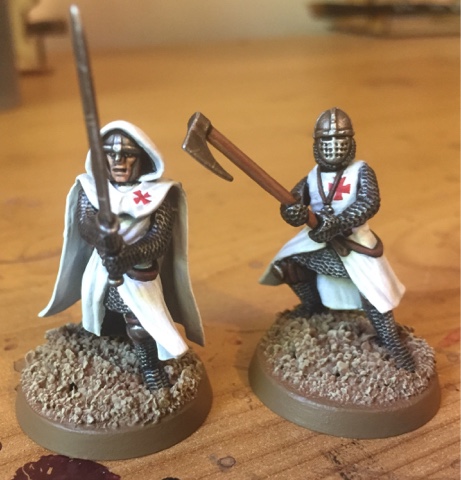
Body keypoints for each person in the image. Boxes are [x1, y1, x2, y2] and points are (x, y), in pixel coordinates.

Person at [40, 121, 204, 390]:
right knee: (103, 310)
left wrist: (128, 256)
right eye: (111, 154)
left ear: (143, 158)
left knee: (141, 323)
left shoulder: (159, 195)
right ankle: (111, 334)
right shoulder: (91, 190)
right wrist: (102, 238)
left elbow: (158, 240)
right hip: (101, 269)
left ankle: (150, 367)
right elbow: (85, 223)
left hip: (138, 273)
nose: (119, 161)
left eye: (128, 154)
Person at [260, 107, 415, 371]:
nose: (333, 147)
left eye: (339, 140)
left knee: (373, 292)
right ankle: (313, 306)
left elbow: (368, 203)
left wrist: (338, 223)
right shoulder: (312, 177)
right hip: (318, 240)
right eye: (327, 141)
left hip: (355, 242)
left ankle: (392, 342)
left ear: (350, 142)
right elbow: (292, 203)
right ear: (317, 145)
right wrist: (292, 212)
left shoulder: (361, 171)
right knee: (288, 264)